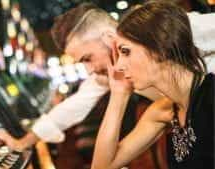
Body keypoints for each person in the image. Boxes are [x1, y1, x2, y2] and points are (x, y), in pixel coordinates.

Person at [0, 3, 215, 152]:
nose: (90, 69)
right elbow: (71, 109)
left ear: (109, 39)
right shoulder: (112, 72)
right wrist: (23, 142)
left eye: (88, 58)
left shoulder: (169, 31)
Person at [91, 1, 214, 169]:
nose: (118, 65)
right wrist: (119, 94)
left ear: (160, 48)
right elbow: (102, 166)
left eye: (125, 51)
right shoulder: (163, 110)